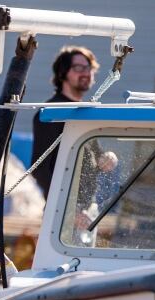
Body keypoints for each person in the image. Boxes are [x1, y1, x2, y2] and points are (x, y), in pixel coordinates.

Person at [32, 46, 117, 200]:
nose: (85, 73)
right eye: (78, 68)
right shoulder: (52, 113)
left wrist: (107, 158)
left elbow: (96, 156)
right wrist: (66, 207)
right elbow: (41, 169)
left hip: (86, 208)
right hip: (63, 212)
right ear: (62, 73)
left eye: (89, 68)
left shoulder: (83, 110)